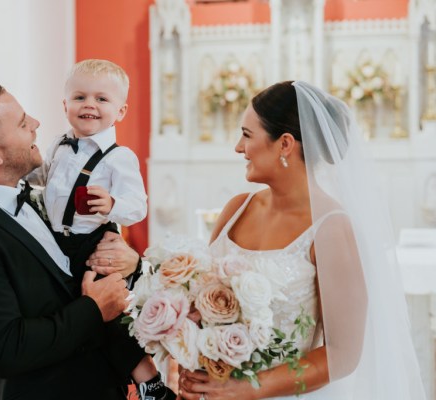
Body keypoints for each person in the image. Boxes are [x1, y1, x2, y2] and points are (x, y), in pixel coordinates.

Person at [179, 81, 425, 399]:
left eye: (247, 135)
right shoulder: (236, 209)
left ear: (284, 144)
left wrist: (248, 389)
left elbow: (342, 355)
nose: (238, 147)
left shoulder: (331, 228)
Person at [0, 82, 144, 400]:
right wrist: (94, 308)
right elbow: (8, 349)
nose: (36, 123)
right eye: (21, 123)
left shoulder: (34, 194)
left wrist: (130, 262)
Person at [27, 60, 172, 399]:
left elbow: (138, 206)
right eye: (79, 97)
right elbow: (44, 181)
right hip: (56, 241)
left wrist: (112, 205)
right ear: (65, 106)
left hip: (93, 245)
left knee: (106, 315)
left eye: (102, 99)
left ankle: (148, 378)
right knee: (70, 313)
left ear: (120, 111)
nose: (89, 105)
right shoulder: (57, 146)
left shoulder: (119, 158)